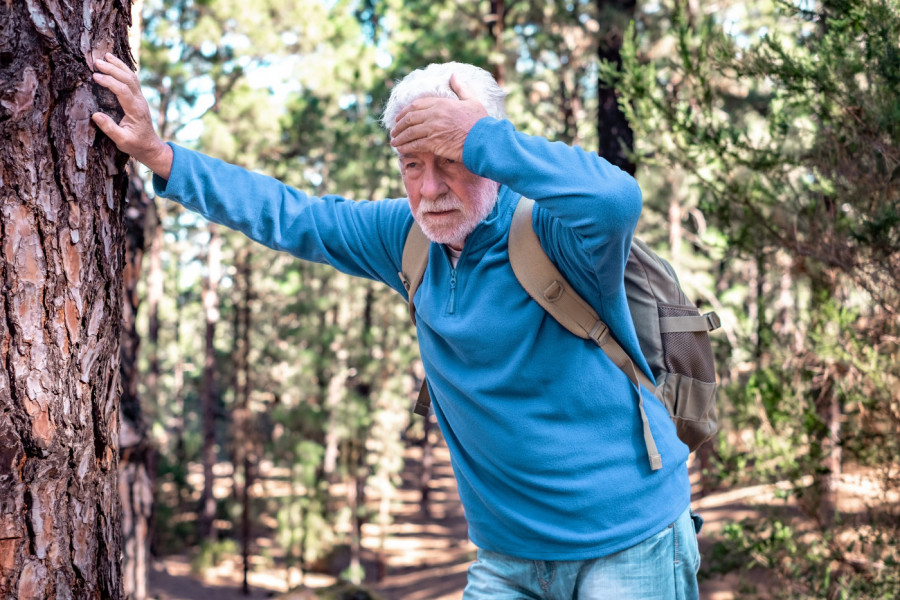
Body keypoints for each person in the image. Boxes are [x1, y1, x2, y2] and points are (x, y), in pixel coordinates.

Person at [92, 52, 701, 599]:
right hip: (509, 559)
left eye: (453, 160)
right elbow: (292, 215)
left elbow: (616, 200)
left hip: (631, 540)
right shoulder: (406, 240)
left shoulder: (556, 235)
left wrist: (483, 138)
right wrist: (158, 154)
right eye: (413, 164)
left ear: (491, 157)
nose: (430, 189)